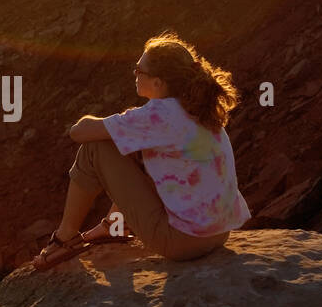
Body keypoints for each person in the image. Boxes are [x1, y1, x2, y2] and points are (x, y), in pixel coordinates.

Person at [33, 30, 251, 269]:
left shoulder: (159, 115)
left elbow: (78, 131)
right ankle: (113, 226)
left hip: (183, 242)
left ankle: (65, 238)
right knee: (135, 149)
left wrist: (113, 124)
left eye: (140, 71)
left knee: (95, 147)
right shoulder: (198, 108)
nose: (135, 75)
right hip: (219, 234)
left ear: (158, 82)